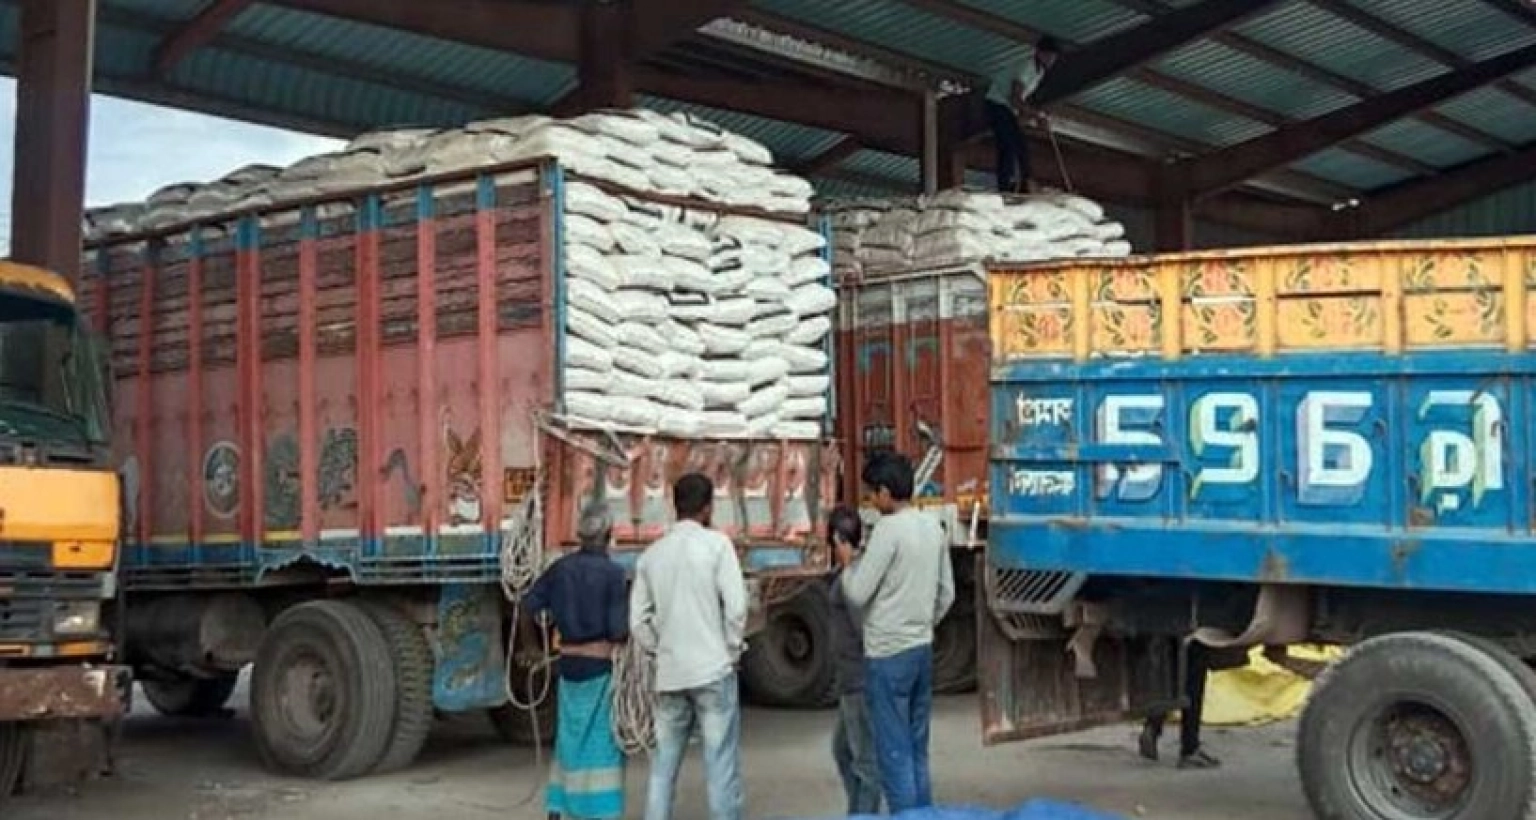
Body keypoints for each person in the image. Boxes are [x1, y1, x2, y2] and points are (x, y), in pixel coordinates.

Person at [838, 453, 954, 813]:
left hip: (887, 656)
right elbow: (946, 594)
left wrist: (846, 567)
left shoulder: (888, 532)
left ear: (886, 492)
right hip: (921, 650)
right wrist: (922, 623)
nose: (871, 502)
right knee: (918, 749)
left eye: (873, 494)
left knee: (893, 754)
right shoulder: (932, 527)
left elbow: (858, 593)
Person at [631, 473, 748, 820]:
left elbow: (637, 621)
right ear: (709, 507)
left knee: (663, 768)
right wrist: (730, 649)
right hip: (713, 669)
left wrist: (658, 648)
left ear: (674, 504)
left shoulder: (652, 555)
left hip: (671, 673)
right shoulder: (717, 546)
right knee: (721, 766)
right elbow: (737, 607)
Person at [523, 504, 631, 820]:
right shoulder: (613, 574)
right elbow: (617, 631)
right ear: (608, 536)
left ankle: (559, 807)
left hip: (568, 667)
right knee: (601, 741)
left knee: (569, 737)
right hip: (601, 669)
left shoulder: (561, 569)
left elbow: (526, 604)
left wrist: (532, 648)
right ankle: (600, 811)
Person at [827, 506, 882, 815]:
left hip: (858, 679)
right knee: (843, 751)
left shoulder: (854, 578)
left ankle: (865, 813)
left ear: (838, 540)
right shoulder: (853, 573)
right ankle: (857, 810)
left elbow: (864, 626)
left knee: (864, 761)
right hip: (851, 679)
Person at [984, 37, 1061, 194]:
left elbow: (1019, 103)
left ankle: (1025, 182)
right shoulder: (1027, 67)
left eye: (1053, 57)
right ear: (1039, 53)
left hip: (1007, 109)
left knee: (1020, 146)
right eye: (1048, 56)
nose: (1051, 60)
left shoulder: (1039, 72)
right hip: (997, 105)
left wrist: (1029, 117)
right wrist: (1037, 115)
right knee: (1008, 146)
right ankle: (1007, 185)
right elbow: (1015, 98)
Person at [1138, 641, 1220, 770]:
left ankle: (1153, 726)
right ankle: (1190, 748)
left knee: (1169, 669)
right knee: (1194, 671)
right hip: (1193, 627)